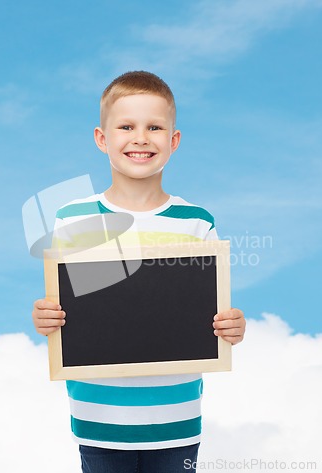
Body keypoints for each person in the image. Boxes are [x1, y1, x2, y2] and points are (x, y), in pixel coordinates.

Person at [32, 71, 246, 473]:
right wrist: (45, 317)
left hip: (176, 419)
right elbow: (63, 307)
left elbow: (214, 311)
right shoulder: (73, 218)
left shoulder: (196, 222)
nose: (141, 138)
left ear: (174, 140)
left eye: (154, 127)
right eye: (126, 127)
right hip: (99, 419)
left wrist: (233, 325)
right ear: (102, 138)